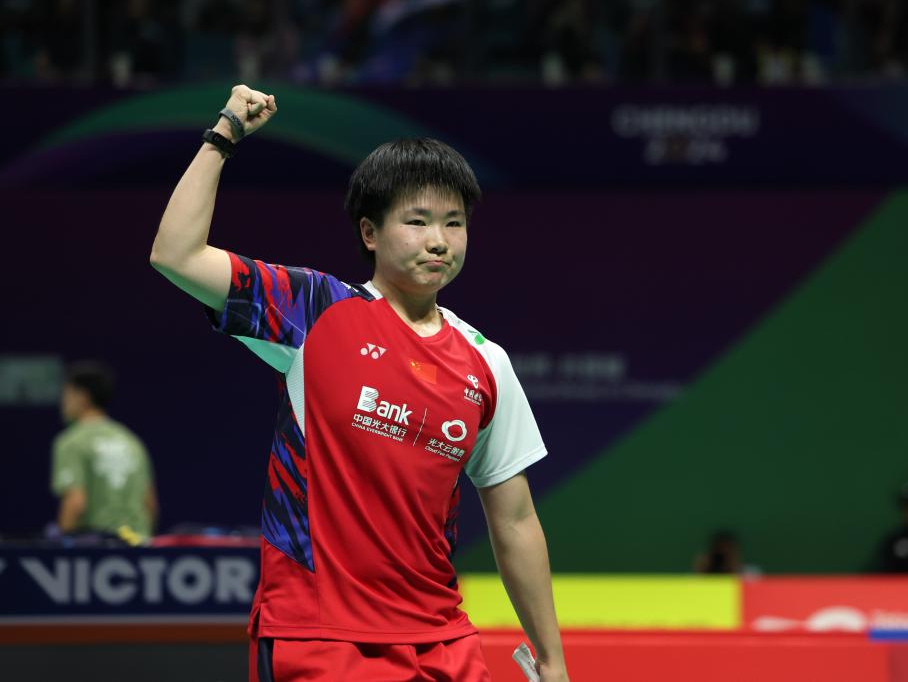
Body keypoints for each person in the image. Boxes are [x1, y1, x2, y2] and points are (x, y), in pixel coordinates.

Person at [149, 85, 569, 682]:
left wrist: (551, 659)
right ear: (370, 233)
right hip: (321, 635)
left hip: (441, 640)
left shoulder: (485, 362)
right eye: (417, 221)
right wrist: (223, 136)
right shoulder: (315, 310)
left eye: (454, 223)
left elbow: (516, 519)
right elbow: (177, 255)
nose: (438, 241)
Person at [51, 361, 157, 542]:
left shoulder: (71, 442)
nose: (63, 403)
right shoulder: (132, 442)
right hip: (139, 544)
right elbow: (150, 504)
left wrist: (62, 547)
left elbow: (75, 502)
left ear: (82, 396)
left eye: (67, 395)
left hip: (97, 549)